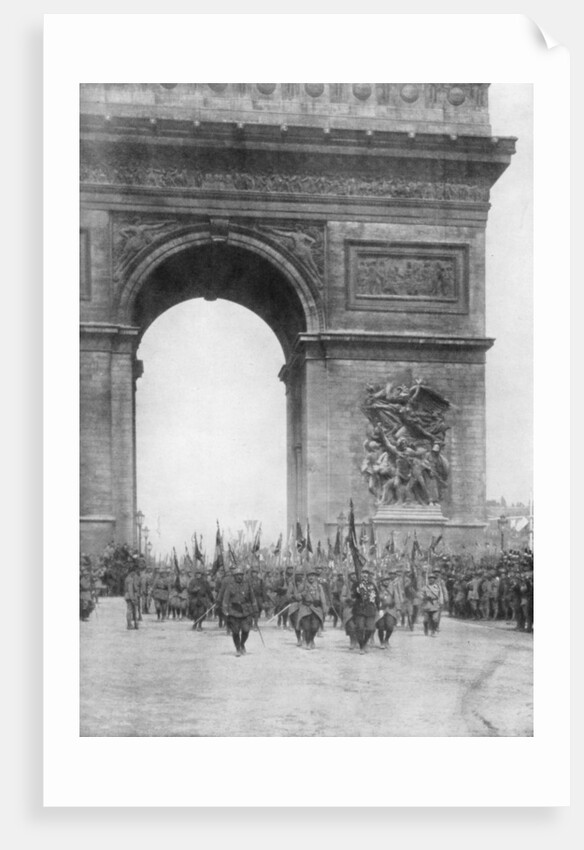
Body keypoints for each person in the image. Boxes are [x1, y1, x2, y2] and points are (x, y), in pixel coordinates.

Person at [222, 566, 259, 656]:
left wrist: (255, 610)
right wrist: (225, 611)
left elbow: (252, 598)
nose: (239, 577)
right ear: (234, 576)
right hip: (234, 611)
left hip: (245, 611)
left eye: (241, 575)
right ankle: (238, 648)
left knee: (246, 630)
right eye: (237, 575)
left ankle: (242, 643)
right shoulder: (230, 586)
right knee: (235, 632)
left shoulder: (247, 585)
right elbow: (225, 599)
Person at [297, 569, 328, 650]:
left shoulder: (319, 586)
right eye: (309, 575)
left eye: (313, 575)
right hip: (305, 608)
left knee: (315, 627)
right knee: (306, 627)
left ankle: (311, 639)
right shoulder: (302, 586)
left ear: (315, 577)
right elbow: (297, 596)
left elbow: (323, 599)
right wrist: (302, 595)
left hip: (316, 608)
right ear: (307, 577)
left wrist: (324, 609)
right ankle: (307, 642)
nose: (311, 577)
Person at [351, 567, 379, 654]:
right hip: (360, 609)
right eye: (363, 574)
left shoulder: (372, 585)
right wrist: (357, 591)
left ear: (368, 575)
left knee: (370, 629)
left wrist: (378, 607)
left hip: (370, 609)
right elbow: (353, 596)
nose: (365, 575)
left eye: (366, 574)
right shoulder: (356, 584)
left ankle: (365, 642)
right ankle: (361, 646)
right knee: (360, 628)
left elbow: (376, 597)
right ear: (360, 575)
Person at [376, 570, 402, 648]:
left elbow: (396, 598)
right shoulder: (378, 589)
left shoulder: (393, 588)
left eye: (388, 580)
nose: (386, 582)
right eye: (385, 580)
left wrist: (398, 609)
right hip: (381, 610)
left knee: (390, 626)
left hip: (390, 609)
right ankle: (381, 642)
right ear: (382, 581)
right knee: (380, 626)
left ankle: (386, 639)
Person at [421, 571, 442, 636]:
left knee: (435, 619)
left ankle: (433, 631)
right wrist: (424, 597)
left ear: (435, 579)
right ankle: (426, 628)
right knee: (426, 621)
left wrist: (441, 602)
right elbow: (421, 595)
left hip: (435, 605)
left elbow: (440, 595)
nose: (431, 579)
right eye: (430, 578)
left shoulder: (438, 587)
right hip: (427, 605)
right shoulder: (425, 587)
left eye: (433, 578)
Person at [124, 558, 141, 630]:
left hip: (129, 596)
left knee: (132, 610)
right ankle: (130, 625)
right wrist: (133, 598)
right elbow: (131, 589)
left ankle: (134, 624)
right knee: (131, 610)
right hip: (131, 596)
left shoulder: (129, 577)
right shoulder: (130, 578)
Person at [79, 555, 95, 622]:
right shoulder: (82, 578)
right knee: (85, 605)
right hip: (84, 592)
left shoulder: (87, 576)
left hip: (87, 592)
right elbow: (84, 585)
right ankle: (83, 616)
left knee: (91, 605)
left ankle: (84, 616)